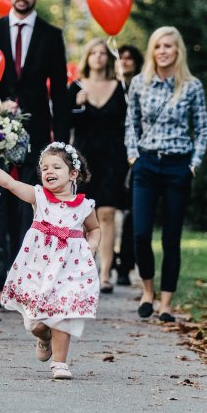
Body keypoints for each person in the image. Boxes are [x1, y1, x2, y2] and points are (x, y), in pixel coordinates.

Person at [0, 0, 71, 305]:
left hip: (36, 134)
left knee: (32, 205)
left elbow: (60, 92)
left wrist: (61, 145)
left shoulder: (51, 35)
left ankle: (25, 281)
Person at [0, 142, 101, 380]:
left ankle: (59, 363)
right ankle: (44, 337)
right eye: (44, 167)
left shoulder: (85, 206)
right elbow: (10, 184)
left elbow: (95, 229)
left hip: (69, 269)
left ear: (73, 174)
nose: (49, 171)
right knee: (35, 323)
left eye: (56, 167)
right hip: (38, 268)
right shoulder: (39, 197)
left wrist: (91, 247)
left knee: (63, 314)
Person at [125, 27, 207, 322]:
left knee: (171, 238)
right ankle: (148, 291)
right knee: (140, 233)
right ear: (152, 50)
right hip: (146, 164)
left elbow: (202, 128)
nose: (163, 51)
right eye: (158, 46)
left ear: (178, 51)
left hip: (177, 166)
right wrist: (133, 156)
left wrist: (194, 164)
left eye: (169, 46)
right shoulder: (139, 83)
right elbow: (131, 123)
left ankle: (166, 304)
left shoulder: (191, 86)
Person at [69, 39, 127, 294]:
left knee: (107, 214)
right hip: (83, 159)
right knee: (83, 216)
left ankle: (105, 273)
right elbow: (64, 120)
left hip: (113, 157)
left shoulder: (121, 87)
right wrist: (77, 105)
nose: (98, 57)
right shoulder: (76, 87)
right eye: (93, 52)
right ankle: (84, 270)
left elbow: (128, 121)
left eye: (103, 53)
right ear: (87, 57)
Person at [113, 44, 144, 287]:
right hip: (108, 153)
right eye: (120, 57)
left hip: (133, 154)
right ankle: (107, 259)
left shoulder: (142, 87)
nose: (124, 61)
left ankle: (126, 263)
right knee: (106, 211)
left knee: (131, 211)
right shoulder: (107, 86)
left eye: (129, 58)